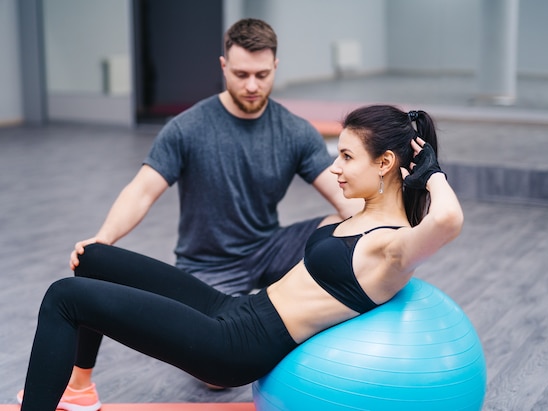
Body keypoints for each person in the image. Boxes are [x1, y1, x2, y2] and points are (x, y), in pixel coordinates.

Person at [17, 105, 463, 411]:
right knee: (94, 258)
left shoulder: (392, 246)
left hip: (235, 348)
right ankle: (78, 392)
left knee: (64, 297)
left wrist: (432, 175)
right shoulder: (358, 214)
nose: (336, 168)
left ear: (385, 163)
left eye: (347, 156)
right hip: (233, 309)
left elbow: (446, 221)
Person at [69, 18, 356, 297]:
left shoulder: (295, 131)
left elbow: (343, 196)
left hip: (269, 248)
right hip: (208, 266)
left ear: (275, 67)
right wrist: (103, 239)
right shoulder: (187, 128)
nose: (253, 86)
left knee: (342, 232)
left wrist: (387, 229)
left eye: (262, 75)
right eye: (242, 75)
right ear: (224, 67)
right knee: (227, 332)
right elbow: (141, 192)